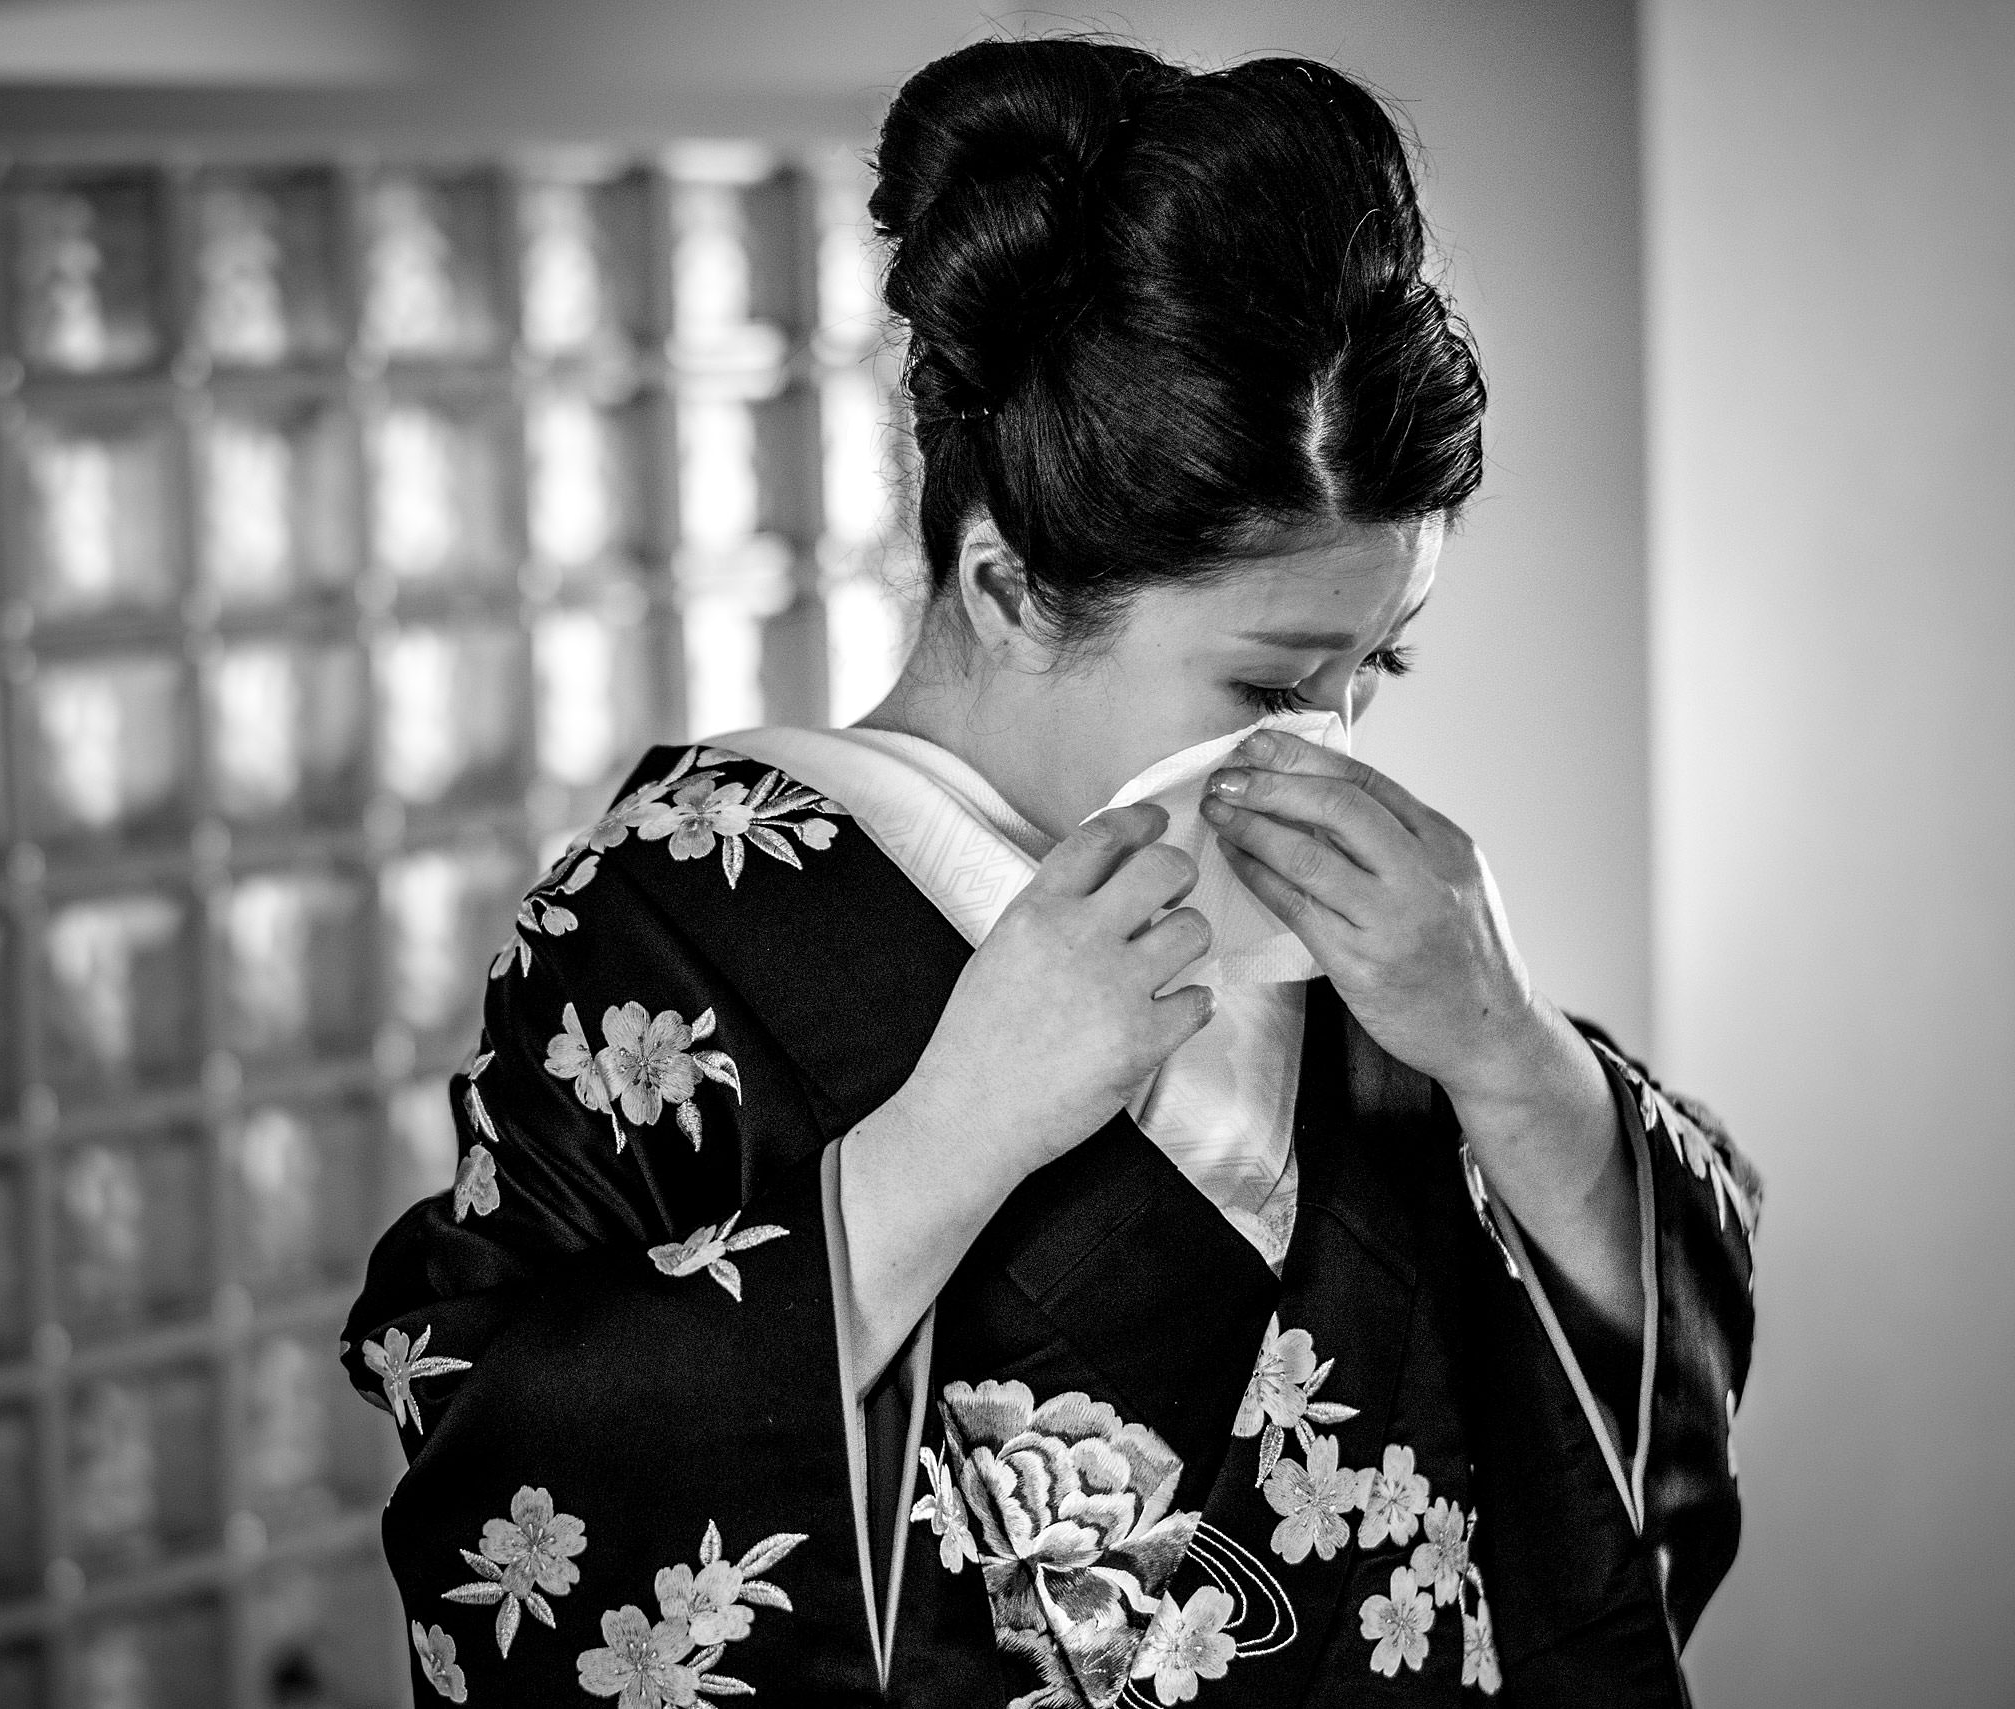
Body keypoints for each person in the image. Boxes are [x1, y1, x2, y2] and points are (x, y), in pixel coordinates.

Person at [345, 37, 1759, 1709]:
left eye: (1384, 668)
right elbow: (488, 1480)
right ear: (1007, 582)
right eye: (1270, 684)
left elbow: (1629, 1418)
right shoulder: (662, 928)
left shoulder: (1358, 940)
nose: (1333, 746)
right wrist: (951, 1137)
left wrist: (1511, 1051)